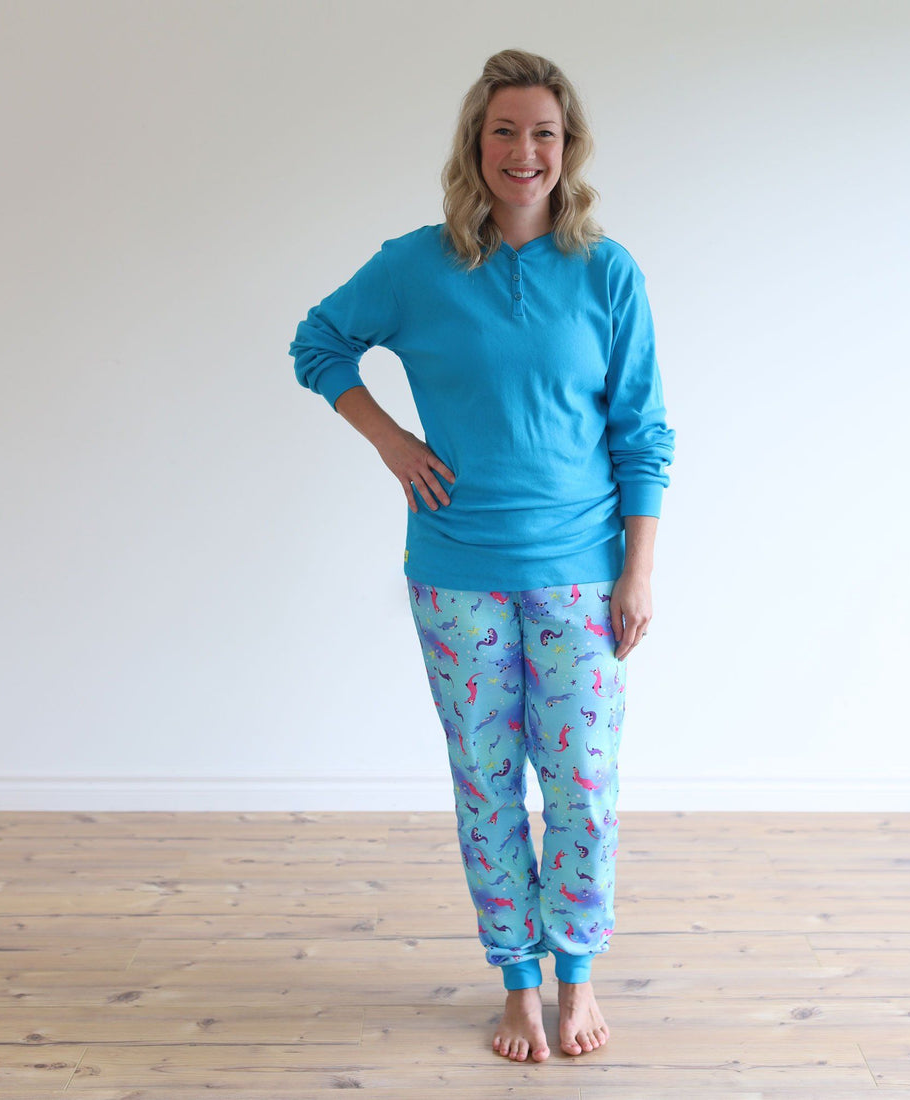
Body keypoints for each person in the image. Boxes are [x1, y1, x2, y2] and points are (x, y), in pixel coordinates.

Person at [288, 48, 675, 1063]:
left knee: (582, 784)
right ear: (476, 144)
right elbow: (318, 342)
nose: (523, 150)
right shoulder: (418, 266)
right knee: (487, 781)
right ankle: (515, 981)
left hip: (581, 571)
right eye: (504, 130)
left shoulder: (606, 271)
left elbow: (643, 431)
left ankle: (575, 977)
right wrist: (389, 439)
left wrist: (637, 568)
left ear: (566, 146)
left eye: (542, 132)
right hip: (455, 573)